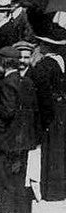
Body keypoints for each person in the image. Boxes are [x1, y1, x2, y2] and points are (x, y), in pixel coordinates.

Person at [0, 46, 38, 213]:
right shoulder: (26, 82)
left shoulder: (7, 83)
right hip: (22, 141)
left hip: (6, 141)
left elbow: (8, 111)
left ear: (3, 62)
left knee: (3, 182)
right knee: (18, 181)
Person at [28, 26, 66, 201]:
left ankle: (51, 190)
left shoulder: (43, 66)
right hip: (62, 107)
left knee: (50, 149)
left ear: (45, 45)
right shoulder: (61, 61)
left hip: (50, 110)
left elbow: (41, 93)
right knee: (59, 148)